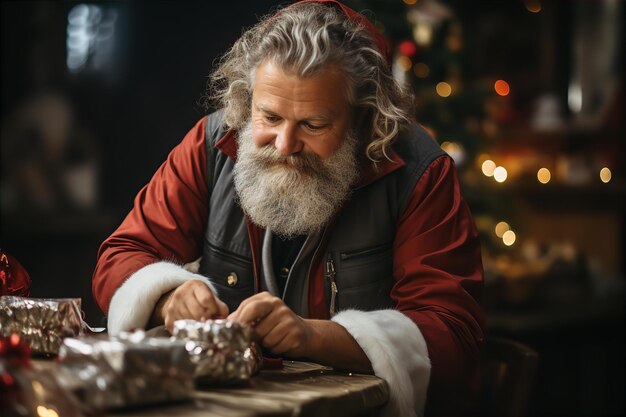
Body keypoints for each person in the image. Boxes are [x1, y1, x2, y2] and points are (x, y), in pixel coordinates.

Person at [92, 1, 484, 416]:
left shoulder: (420, 172)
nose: (285, 144)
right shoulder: (210, 145)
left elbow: (452, 339)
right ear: (247, 100)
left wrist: (313, 337)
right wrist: (168, 297)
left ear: (363, 118)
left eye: (313, 125)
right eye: (270, 116)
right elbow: (120, 256)